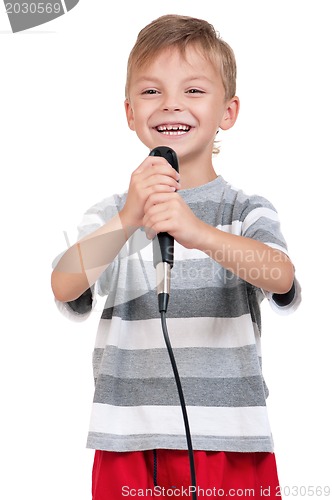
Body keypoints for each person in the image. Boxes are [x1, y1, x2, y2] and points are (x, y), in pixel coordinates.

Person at [51, 14, 301, 499]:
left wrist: (198, 232)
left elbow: (281, 275)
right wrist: (128, 218)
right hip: (128, 438)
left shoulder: (244, 209)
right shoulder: (114, 213)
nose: (170, 104)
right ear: (128, 112)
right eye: (151, 92)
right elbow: (64, 285)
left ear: (227, 111)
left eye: (193, 90)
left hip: (230, 439)